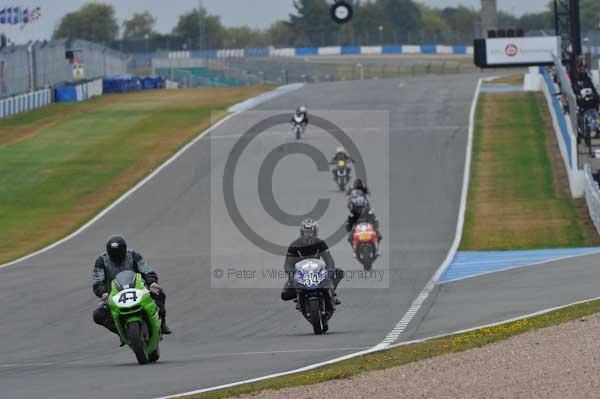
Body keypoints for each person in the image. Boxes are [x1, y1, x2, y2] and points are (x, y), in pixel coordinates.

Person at [92, 235, 172, 341]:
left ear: (124, 250)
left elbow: (147, 270)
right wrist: (103, 293)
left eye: (119, 253)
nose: (116, 257)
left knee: (159, 294)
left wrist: (152, 282)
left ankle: (162, 323)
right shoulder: (101, 261)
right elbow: (97, 281)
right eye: (113, 254)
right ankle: (122, 332)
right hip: (114, 296)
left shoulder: (133, 256)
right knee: (98, 315)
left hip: (138, 290)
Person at [281, 219, 343, 305]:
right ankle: (300, 297)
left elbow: (329, 260)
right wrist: (292, 275)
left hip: (317, 270)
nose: (308, 234)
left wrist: (329, 272)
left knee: (339, 272)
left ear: (315, 232)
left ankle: (331, 294)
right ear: (302, 232)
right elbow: (288, 264)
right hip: (300, 273)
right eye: (306, 231)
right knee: (285, 295)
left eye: (310, 232)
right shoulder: (294, 245)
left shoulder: (321, 243)